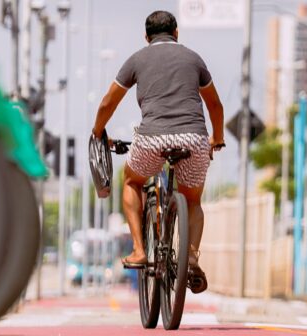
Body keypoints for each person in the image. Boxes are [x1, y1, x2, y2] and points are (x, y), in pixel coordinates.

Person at [91, 10, 224, 294]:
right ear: (176, 33)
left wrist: (97, 131)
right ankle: (190, 257)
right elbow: (215, 106)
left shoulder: (137, 59)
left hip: (151, 139)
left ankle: (140, 250)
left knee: (132, 182)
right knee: (193, 201)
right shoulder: (194, 58)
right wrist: (218, 138)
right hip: (194, 138)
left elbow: (107, 103)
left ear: (146, 36)